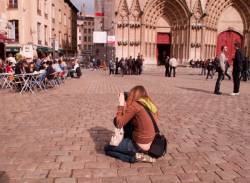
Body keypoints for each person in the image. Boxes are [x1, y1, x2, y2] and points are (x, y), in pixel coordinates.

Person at [104, 86, 159, 163]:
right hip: (150, 143)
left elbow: (119, 123)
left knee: (108, 149)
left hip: (139, 145)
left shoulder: (135, 105)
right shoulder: (148, 103)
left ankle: (134, 157)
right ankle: (136, 153)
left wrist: (121, 104)